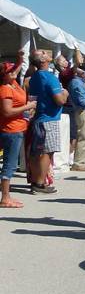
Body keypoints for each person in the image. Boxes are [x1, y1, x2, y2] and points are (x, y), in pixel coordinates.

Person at [28, 49, 68, 194]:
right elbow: (59, 100)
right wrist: (65, 93)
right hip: (49, 119)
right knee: (47, 152)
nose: (47, 52)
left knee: (37, 151)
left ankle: (35, 181)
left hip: (39, 118)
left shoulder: (34, 77)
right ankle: (39, 184)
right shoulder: (49, 77)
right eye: (44, 52)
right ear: (43, 60)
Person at [0, 52, 35, 208]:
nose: (14, 72)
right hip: (11, 131)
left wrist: (20, 59)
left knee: (11, 163)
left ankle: (6, 196)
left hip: (16, 129)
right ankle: (5, 198)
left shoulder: (12, 83)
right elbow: (7, 112)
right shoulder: (5, 89)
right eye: (10, 71)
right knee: (10, 164)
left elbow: (17, 68)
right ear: (4, 75)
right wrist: (27, 107)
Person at [66, 55, 85, 172]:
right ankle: (78, 162)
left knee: (83, 135)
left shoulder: (78, 82)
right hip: (82, 111)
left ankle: (78, 161)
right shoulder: (76, 83)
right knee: (84, 135)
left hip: (81, 110)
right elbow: (82, 100)